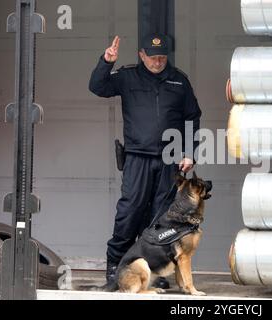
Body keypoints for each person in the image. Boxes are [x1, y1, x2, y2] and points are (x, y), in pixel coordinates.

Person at [89, 33, 201, 288]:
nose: (158, 62)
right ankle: (115, 268)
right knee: (130, 212)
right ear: (141, 55)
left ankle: (154, 272)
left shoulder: (179, 81)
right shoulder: (128, 77)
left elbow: (192, 118)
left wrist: (190, 151)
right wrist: (106, 62)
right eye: (152, 57)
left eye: (162, 57)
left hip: (169, 161)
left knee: (161, 219)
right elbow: (97, 87)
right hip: (137, 158)